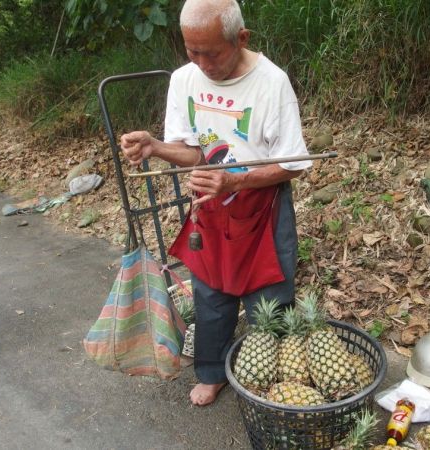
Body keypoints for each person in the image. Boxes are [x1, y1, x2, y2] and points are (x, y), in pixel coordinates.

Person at [120, 0, 311, 406]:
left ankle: (276, 382)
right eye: (193, 52)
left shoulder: (271, 82)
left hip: (263, 208)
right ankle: (212, 371)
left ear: (241, 38)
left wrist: (235, 180)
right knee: (210, 291)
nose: (203, 64)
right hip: (211, 204)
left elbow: (293, 165)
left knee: (270, 294)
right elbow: (193, 152)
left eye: (212, 53)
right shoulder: (184, 80)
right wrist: (155, 146)